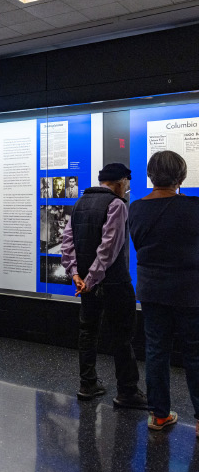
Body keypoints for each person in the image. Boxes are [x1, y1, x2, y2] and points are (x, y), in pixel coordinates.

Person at [62, 163, 147, 409]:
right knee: (122, 336)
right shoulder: (117, 205)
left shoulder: (80, 203)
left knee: (87, 331)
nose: (127, 189)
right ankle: (127, 391)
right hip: (113, 282)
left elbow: (67, 242)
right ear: (121, 182)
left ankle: (87, 384)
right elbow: (109, 248)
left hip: (87, 286)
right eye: (127, 185)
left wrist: (76, 274)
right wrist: (90, 279)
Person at [129, 151, 199, 432]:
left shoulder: (135, 208)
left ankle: (159, 415)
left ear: (150, 175)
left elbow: (138, 246)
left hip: (152, 289)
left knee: (156, 351)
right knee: (195, 354)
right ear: (180, 176)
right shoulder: (194, 207)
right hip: (190, 291)